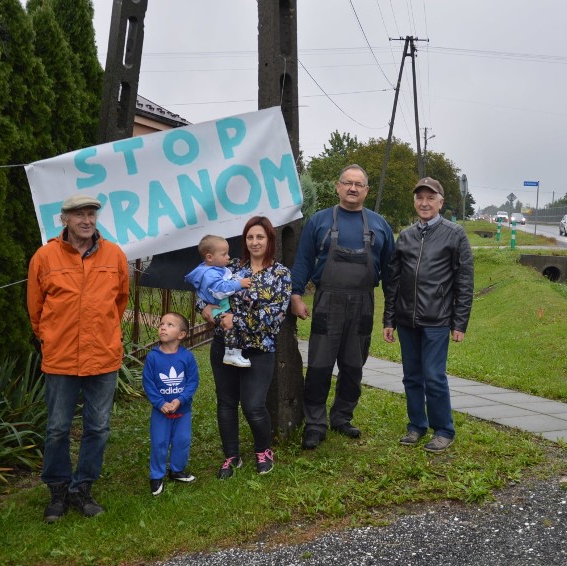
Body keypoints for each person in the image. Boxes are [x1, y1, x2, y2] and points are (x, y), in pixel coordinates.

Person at [26, 193, 129, 522]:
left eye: (91, 214)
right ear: (64, 220)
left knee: (97, 427)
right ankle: (57, 489)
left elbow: (120, 301)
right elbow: (36, 309)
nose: (86, 220)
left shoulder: (114, 256)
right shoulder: (44, 257)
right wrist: (52, 337)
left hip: (103, 355)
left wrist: (107, 333)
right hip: (61, 358)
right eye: (79, 215)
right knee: (57, 428)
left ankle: (82, 488)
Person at [290, 164, 395, 450]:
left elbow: (391, 272)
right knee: (320, 366)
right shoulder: (320, 221)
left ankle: (341, 417)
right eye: (347, 183)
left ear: (366, 191)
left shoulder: (380, 224)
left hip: (363, 303)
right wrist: (296, 295)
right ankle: (315, 423)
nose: (352, 188)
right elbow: (303, 260)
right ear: (338, 186)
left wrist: (390, 316)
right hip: (327, 302)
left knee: (353, 366)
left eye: (358, 184)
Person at [382, 177, 474, 453]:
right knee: (411, 376)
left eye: (430, 198)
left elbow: (464, 282)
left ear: (440, 203)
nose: (424, 203)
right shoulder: (406, 235)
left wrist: (460, 322)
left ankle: (443, 430)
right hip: (406, 319)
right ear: (415, 202)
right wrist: (389, 319)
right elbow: (394, 280)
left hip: (437, 320)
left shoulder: (455, 234)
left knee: (434, 376)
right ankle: (416, 426)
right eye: (420, 197)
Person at [198, 216, 291, 476]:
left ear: (269, 239)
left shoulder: (280, 274)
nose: (254, 242)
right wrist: (203, 307)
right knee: (226, 403)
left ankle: (263, 451)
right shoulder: (232, 268)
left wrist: (234, 319)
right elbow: (206, 290)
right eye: (250, 237)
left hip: (258, 349)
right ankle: (231, 456)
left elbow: (274, 318)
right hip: (224, 346)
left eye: (260, 236)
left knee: (253, 405)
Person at [142, 312, 199, 496]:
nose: (163, 327)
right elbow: (148, 383)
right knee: (159, 442)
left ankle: (177, 470)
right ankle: (156, 475)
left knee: (182, 441)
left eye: (170, 325)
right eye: (161, 324)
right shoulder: (153, 357)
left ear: (181, 335)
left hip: (183, 410)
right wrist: (160, 403)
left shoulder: (187, 357)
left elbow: (192, 382)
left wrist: (180, 400)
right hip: (161, 412)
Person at [185, 235, 252, 367]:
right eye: (224, 254)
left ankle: (234, 353)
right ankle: (231, 354)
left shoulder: (215, 268)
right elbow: (221, 289)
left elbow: (229, 278)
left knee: (232, 325)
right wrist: (240, 284)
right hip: (219, 309)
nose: (228, 257)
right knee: (230, 327)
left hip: (220, 307)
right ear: (210, 257)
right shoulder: (210, 274)